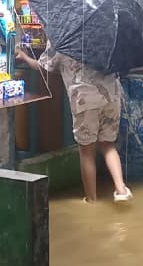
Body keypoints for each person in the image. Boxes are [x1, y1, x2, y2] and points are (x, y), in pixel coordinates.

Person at [16, 44, 133, 203]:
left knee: (87, 151)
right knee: (108, 145)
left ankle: (91, 200)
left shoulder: (62, 40)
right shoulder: (104, 35)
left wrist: (23, 56)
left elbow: (42, 67)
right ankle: (121, 190)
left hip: (85, 100)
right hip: (111, 96)